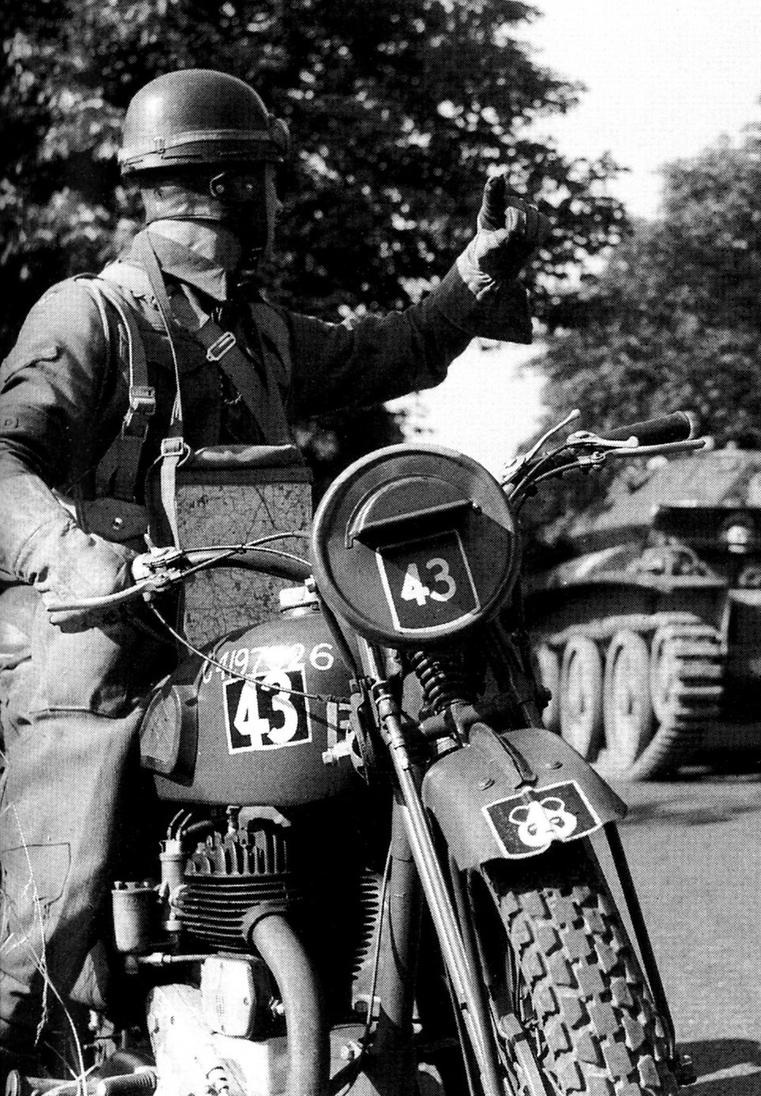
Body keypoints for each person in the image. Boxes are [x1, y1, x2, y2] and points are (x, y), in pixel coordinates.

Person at [0, 68, 549, 1064]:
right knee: (67, 820)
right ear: (229, 186)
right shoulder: (91, 315)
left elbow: (392, 352)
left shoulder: (255, 330)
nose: (278, 201)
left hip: (241, 611)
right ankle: (26, 1024)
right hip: (107, 621)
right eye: (267, 178)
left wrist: (476, 277)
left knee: (406, 702)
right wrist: (65, 552)